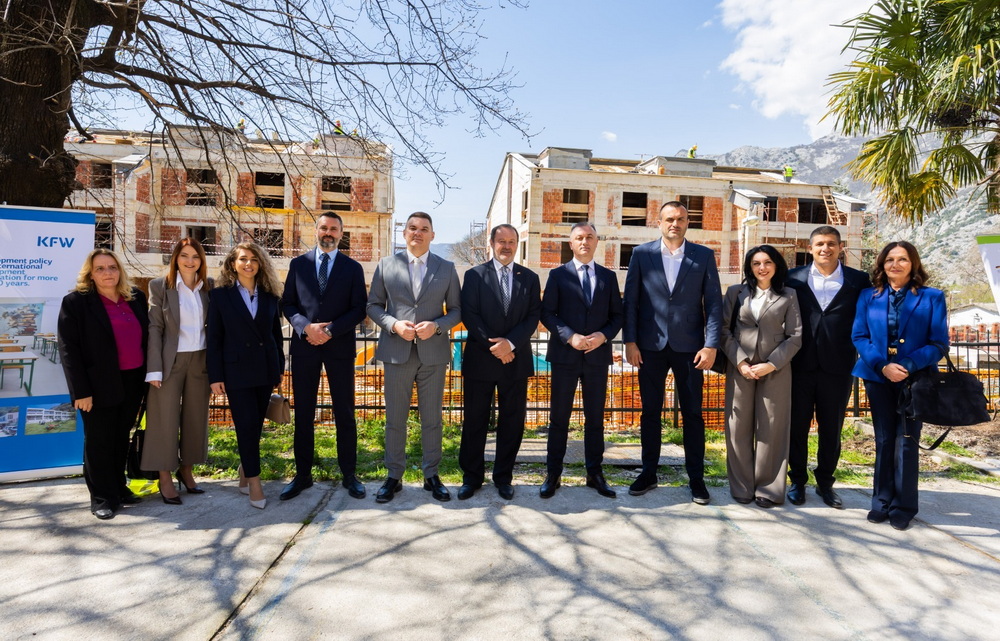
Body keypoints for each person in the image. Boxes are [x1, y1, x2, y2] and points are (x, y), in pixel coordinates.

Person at [622, 201, 723, 504]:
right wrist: (630, 341)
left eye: (680, 219)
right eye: (669, 219)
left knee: (693, 414)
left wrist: (711, 344)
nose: (674, 224)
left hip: (691, 348)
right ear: (659, 222)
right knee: (650, 412)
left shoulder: (703, 256)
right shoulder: (642, 254)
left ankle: (696, 479)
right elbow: (631, 301)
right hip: (649, 347)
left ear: (687, 222)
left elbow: (714, 304)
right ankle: (648, 472)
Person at [852, 241, 948, 531]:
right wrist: (883, 365)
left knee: (906, 440)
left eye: (902, 259)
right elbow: (859, 336)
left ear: (913, 263)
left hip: (915, 378)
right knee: (884, 439)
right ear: (882, 265)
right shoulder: (868, 296)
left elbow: (939, 343)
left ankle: (903, 507)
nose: (895, 264)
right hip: (877, 375)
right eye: (890, 259)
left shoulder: (932, 297)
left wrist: (907, 365)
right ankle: (881, 502)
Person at [366, 212, 461, 503]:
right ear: (405, 233)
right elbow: (373, 306)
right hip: (397, 352)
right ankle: (394, 476)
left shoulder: (447, 267)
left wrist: (438, 326)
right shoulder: (386, 264)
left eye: (424, 229)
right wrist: (394, 324)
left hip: (433, 354)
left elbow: (457, 310)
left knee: (432, 419)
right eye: (412, 228)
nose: (417, 233)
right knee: (395, 419)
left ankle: (432, 475)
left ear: (433, 235)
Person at [280, 213, 367, 501]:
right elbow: (288, 304)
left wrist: (329, 330)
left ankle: (349, 475)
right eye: (323, 227)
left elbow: (359, 308)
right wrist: (306, 327)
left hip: (339, 347)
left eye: (333, 229)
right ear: (316, 230)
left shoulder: (353, 268)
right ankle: (302, 475)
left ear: (341, 233)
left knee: (345, 412)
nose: (328, 233)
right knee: (304, 413)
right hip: (305, 347)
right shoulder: (298, 264)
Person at [58, 249, 149, 520]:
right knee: (99, 440)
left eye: (112, 267)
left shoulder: (135, 297)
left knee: (120, 436)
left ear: (119, 270)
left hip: (132, 380)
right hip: (96, 385)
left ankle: (119, 488)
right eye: (100, 268)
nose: (107, 273)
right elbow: (68, 349)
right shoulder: (76, 302)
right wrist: (81, 391)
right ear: (90, 274)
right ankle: (102, 498)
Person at [785, 226, 871, 508]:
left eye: (831, 243)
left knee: (832, 429)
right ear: (810, 248)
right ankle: (797, 481)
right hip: (799, 364)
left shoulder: (858, 280)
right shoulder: (792, 278)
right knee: (796, 427)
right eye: (820, 244)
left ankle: (825, 483)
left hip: (838, 365)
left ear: (840, 247)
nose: (825, 248)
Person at [540, 222, 624, 499]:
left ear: (597, 242)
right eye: (579, 238)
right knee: (559, 418)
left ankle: (595, 473)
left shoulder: (608, 277)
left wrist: (603, 335)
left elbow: (617, 316)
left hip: (597, 358)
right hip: (565, 357)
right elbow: (547, 313)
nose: (584, 242)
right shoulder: (558, 275)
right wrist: (570, 336)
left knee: (595, 419)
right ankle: (553, 474)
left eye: (589, 237)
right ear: (571, 243)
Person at [457, 224, 540, 501]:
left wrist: (510, 344)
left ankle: (503, 477)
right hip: (481, 360)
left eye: (511, 241)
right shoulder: (474, 275)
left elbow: (532, 316)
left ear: (517, 244)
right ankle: (472, 478)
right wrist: (496, 347)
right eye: (501, 241)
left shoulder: (529, 278)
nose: (506, 246)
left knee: (512, 423)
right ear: (491, 243)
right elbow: (470, 315)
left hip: (515, 360)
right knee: (474, 421)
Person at [721, 245, 802, 507]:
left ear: (776, 265)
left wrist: (771, 364)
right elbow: (724, 331)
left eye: (767, 262)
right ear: (749, 267)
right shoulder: (735, 292)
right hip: (740, 369)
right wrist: (740, 362)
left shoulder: (789, 295)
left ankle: (768, 489)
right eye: (756, 263)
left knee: (772, 428)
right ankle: (742, 487)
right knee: (738, 428)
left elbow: (795, 336)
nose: (762, 268)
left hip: (775, 369)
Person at [207, 242, 285, 510]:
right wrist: (215, 375)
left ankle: (245, 469)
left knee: (255, 427)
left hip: (265, 369)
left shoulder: (270, 296)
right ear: (233, 264)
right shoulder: (220, 296)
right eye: (242, 259)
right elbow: (214, 338)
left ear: (260, 264)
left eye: (253, 259)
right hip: (236, 371)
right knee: (245, 426)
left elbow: (276, 335)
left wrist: (279, 368)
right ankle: (254, 482)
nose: (248, 263)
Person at [142, 238, 213, 505]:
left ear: (201, 260)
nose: (190, 261)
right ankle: (164, 476)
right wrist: (154, 370)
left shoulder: (209, 287)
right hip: (169, 362)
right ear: (175, 258)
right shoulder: (160, 286)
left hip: (200, 360)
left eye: (195, 256)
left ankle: (187, 469)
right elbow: (155, 328)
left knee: (196, 418)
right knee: (164, 419)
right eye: (184, 255)